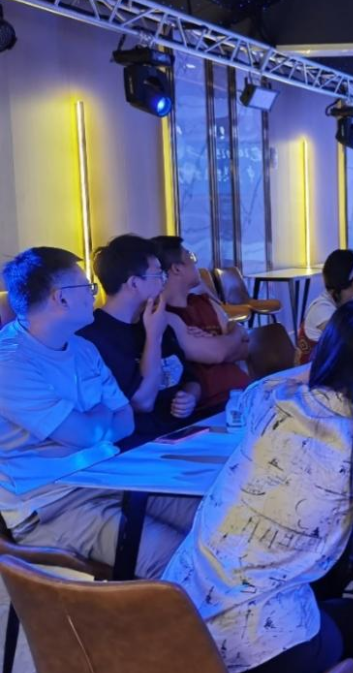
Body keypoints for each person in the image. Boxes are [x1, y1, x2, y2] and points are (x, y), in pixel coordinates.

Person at [164, 301, 353, 673]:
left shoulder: (273, 403)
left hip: (174, 628)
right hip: (251, 660)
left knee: (313, 594)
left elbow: (257, 389)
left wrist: (323, 364)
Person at [0, 247, 197, 578]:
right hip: (52, 504)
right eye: (87, 286)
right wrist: (98, 422)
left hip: (112, 478)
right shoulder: (9, 363)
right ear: (61, 298)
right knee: (180, 560)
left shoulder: (83, 348)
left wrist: (90, 426)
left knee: (218, 518)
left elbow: (126, 419)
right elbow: (85, 433)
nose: (95, 294)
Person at [78, 234, 201, 446]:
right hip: (140, 444)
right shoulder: (95, 338)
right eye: (158, 275)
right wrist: (154, 337)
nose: (164, 281)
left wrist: (190, 397)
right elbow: (143, 402)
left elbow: (191, 379)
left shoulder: (154, 319)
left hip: (183, 432)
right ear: (134, 283)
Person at [152, 236, 250, 410]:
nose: (196, 263)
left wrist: (231, 335)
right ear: (176, 269)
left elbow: (246, 349)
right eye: (191, 257)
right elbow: (218, 353)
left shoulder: (204, 302)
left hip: (243, 396)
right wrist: (236, 333)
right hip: (211, 407)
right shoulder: (164, 316)